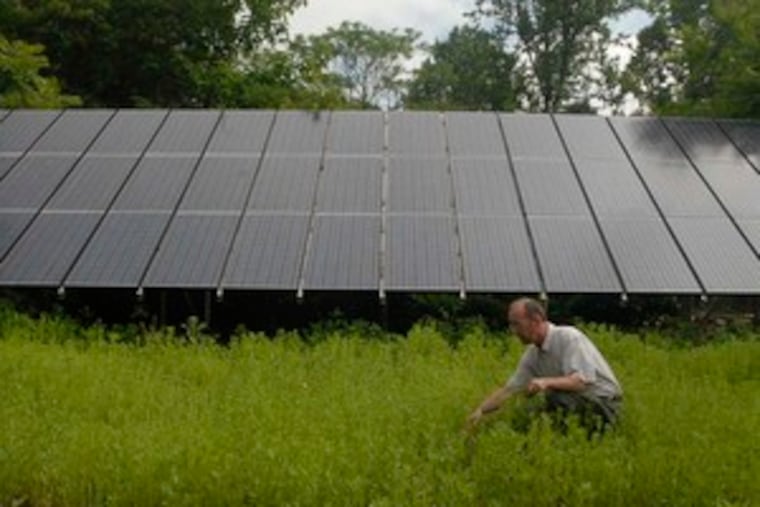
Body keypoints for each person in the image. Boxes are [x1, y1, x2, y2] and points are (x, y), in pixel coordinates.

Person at [467, 297, 623, 435]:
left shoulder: (568, 337)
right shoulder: (533, 354)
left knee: (552, 398)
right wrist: (480, 412)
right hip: (577, 403)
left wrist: (545, 382)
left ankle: (575, 444)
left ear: (535, 321)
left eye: (517, 324)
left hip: (603, 404)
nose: (513, 331)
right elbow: (510, 390)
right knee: (528, 411)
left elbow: (581, 381)